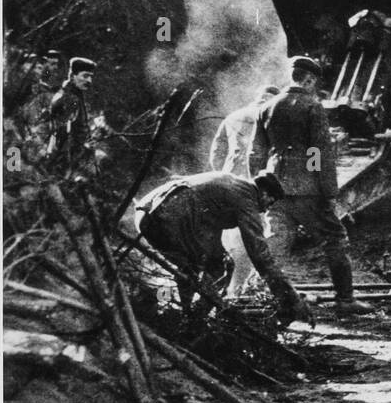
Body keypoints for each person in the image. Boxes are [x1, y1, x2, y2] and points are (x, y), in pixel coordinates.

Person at [250, 55, 371, 316]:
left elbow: (256, 154)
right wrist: (327, 191)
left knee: (275, 241)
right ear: (309, 79)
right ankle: (345, 300)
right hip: (307, 190)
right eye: (314, 82)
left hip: (274, 186)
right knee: (335, 239)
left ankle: (258, 294)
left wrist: (258, 187)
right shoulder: (312, 106)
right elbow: (318, 152)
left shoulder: (266, 107)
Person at [135, 170, 306, 322]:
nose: (266, 210)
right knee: (193, 269)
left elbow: (208, 226)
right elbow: (259, 254)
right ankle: (191, 320)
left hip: (148, 212)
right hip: (164, 217)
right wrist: (290, 297)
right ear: (264, 194)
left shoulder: (230, 184)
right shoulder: (246, 197)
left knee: (216, 266)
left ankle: (188, 315)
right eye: (270, 202)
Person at [209, 85, 280, 295]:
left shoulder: (232, 116)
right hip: (258, 185)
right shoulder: (271, 117)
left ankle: (224, 289)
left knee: (229, 236)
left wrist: (224, 173)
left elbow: (216, 153)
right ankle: (243, 289)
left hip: (229, 182)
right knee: (253, 238)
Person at [47, 57, 98, 176]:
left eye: (91, 76)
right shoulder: (69, 98)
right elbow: (61, 136)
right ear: (73, 75)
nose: (89, 80)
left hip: (73, 157)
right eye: (85, 76)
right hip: (62, 163)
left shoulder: (75, 95)